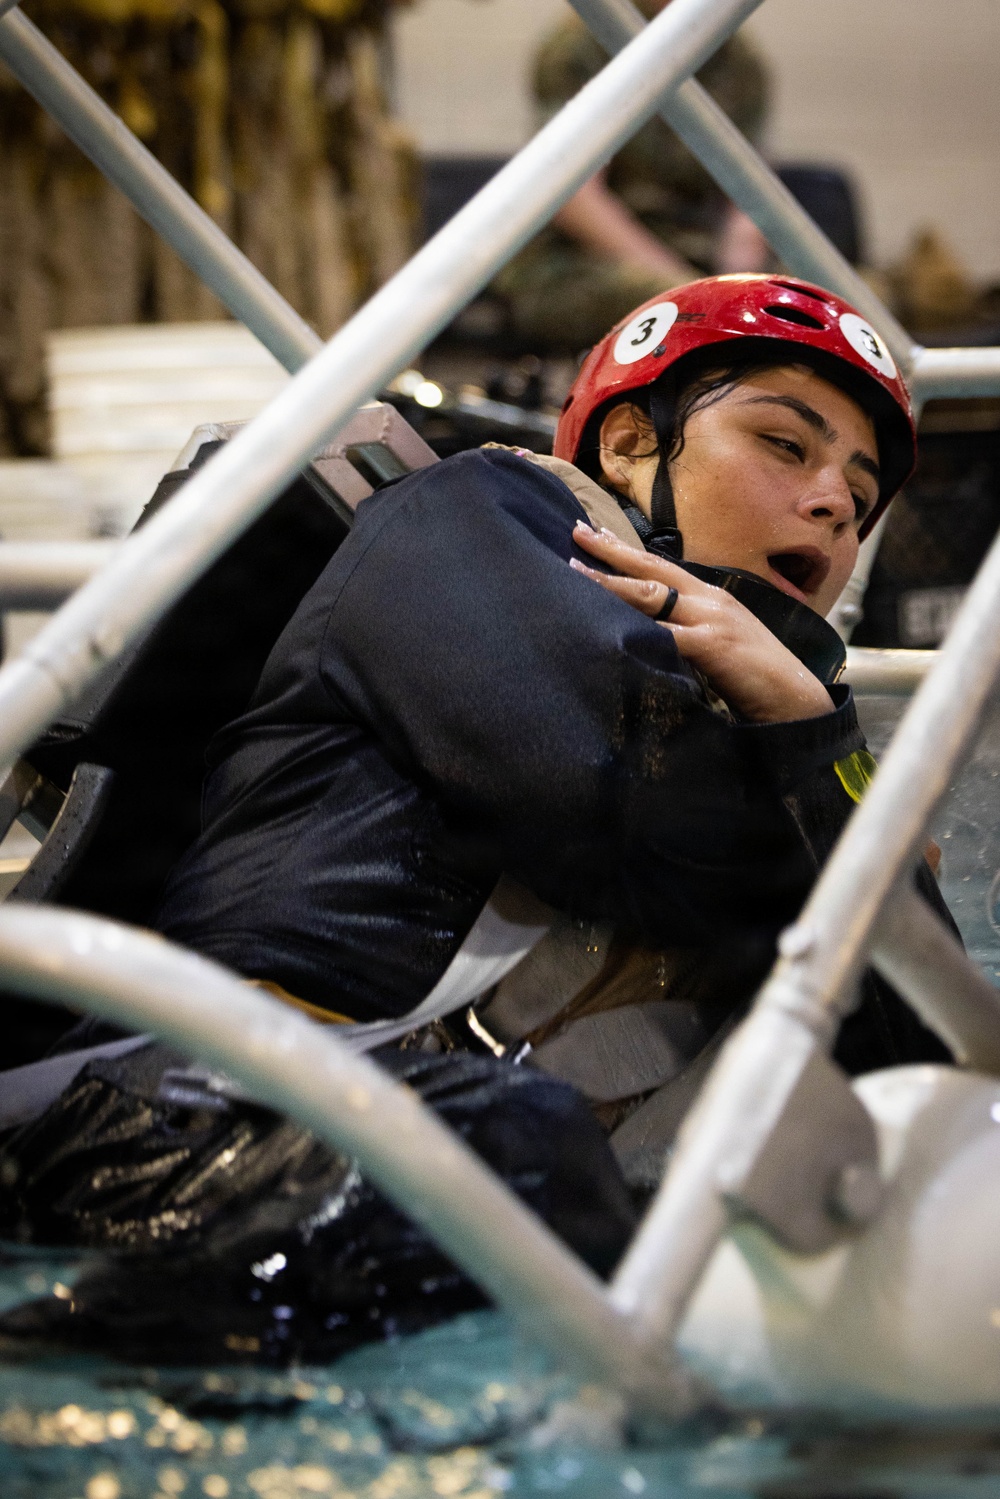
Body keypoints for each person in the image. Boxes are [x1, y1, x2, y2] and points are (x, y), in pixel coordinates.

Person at [0, 275, 952, 1364]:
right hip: (169, 1125)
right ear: (633, 444)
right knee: (512, 1150)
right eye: (786, 444)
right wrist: (818, 779)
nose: (833, 501)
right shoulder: (473, 517)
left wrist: (802, 720)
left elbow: (911, 1060)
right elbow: (608, 809)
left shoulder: (788, 727)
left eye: (859, 492)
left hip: (457, 1175)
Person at [494, 1, 771, 351]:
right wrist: (692, 293)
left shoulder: (734, 53)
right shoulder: (581, 43)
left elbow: (748, 195)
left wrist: (740, 286)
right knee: (688, 310)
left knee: (823, 300)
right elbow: (575, 199)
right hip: (579, 261)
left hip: (694, 254)